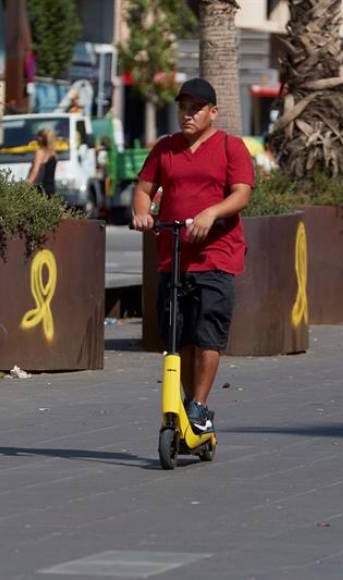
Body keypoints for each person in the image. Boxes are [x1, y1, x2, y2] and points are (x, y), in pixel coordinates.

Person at [132, 77, 254, 435]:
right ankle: (187, 403)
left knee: (207, 335)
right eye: (183, 108)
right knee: (177, 337)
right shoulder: (165, 148)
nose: (187, 115)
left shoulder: (231, 147)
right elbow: (143, 190)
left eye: (196, 108)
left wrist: (212, 213)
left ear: (213, 112)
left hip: (217, 255)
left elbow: (241, 194)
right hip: (174, 257)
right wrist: (142, 212)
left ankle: (199, 404)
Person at [26, 128, 57, 196]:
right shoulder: (53, 153)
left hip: (40, 189)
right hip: (51, 188)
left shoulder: (40, 152)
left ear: (40, 139)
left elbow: (35, 171)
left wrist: (27, 185)